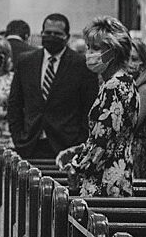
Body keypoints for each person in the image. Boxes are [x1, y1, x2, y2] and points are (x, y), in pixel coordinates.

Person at [57, 17, 139, 197]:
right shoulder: (127, 83)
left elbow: (102, 143)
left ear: (113, 52)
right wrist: (77, 150)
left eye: (96, 48)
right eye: (88, 47)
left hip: (104, 179)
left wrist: (76, 165)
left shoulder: (113, 87)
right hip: (120, 171)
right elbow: (111, 134)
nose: (89, 53)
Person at [7, 13, 98, 161]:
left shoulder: (81, 65)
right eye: (48, 33)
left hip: (66, 145)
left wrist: (79, 143)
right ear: (41, 33)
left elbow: (89, 108)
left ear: (67, 37)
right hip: (30, 143)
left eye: (57, 34)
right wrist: (18, 137)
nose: (51, 36)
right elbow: (15, 104)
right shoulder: (26, 61)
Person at [129, 37, 146, 178]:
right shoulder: (132, 85)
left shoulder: (143, 88)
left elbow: (135, 123)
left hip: (138, 149)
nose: (129, 64)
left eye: (134, 59)